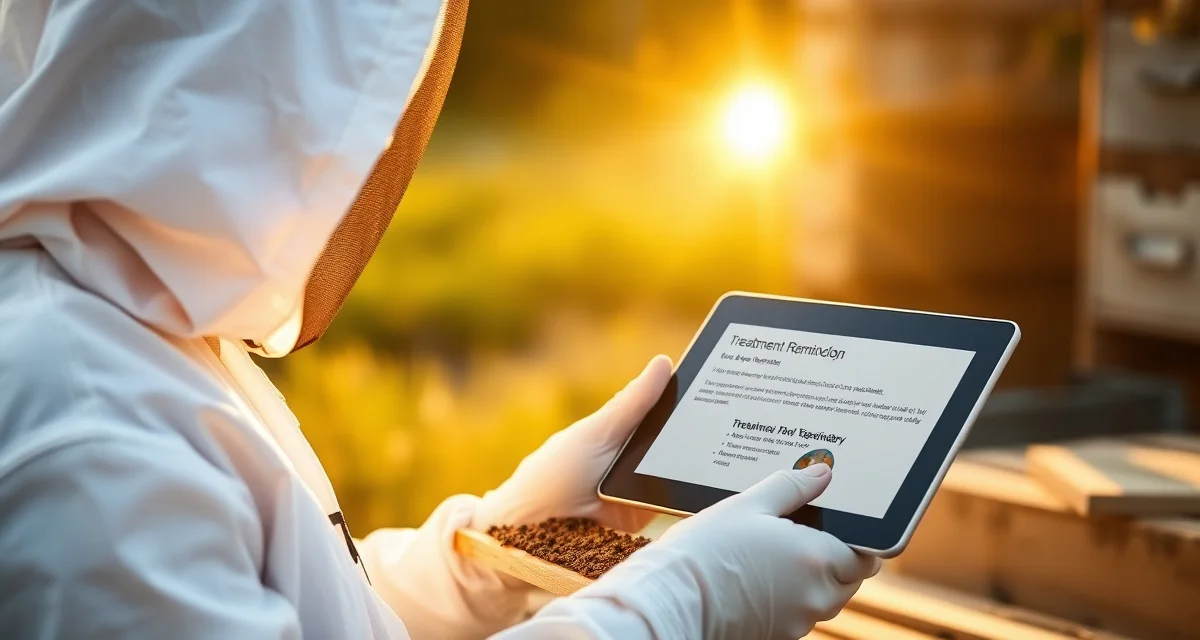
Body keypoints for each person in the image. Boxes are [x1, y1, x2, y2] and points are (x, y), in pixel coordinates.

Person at [0, 1, 880, 638]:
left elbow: (301, 607)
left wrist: (489, 546)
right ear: (250, 91)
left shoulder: (136, 330)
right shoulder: (87, 440)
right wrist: (680, 605)